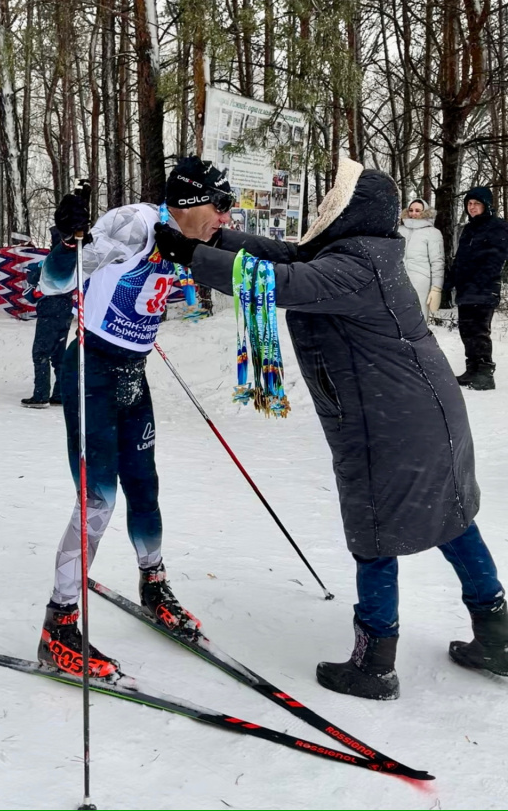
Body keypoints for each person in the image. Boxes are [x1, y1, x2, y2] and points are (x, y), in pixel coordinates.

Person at [155, 159, 508, 699]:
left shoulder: (357, 265)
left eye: (331, 201)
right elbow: (287, 255)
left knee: (374, 530)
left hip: (390, 424)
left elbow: (280, 280)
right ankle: (497, 634)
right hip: (423, 413)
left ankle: (374, 664)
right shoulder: (357, 253)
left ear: (354, 209)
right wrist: (220, 239)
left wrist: (191, 255)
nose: (323, 208)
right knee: (452, 515)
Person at [37, 158, 234, 677]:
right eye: (220, 205)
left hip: (133, 373)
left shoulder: (189, 238)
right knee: (98, 497)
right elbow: (55, 283)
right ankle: (58, 624)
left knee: (145, 487)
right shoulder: (134, 225)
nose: (226, 218)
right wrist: (65, 238)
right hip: (93, 372)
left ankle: (154, 585)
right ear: (191, 203)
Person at [446, 186, 508, 391]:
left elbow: (496, 258)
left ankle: (485, 373)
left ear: (486, 205)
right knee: (466, 330)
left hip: (484, 287)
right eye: (469, 204)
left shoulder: (497, 226)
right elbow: (460, 261)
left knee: (479, 331)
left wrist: (480, 279)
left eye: (476, 204)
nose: (472, 207)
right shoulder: (468, 229)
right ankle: (472, 368)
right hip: (465, 289)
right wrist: (449, 283)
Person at [21, 227, 74, 409]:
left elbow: (29, 294)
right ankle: (59, 393)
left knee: (41, 353)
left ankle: (41, 395)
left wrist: (36, 289)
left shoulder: (44, 265)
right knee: (59, 355)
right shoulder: (76, 262)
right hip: (66, 311)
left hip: (49, 310)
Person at [398, 198, 444, 320]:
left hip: (421, 281)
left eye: (417, 210)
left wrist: (436, 288)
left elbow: (437, 263)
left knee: (417, 320)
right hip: (397, 279)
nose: (413, 213)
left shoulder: (433, 233)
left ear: (425, 212)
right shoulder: (398, 231)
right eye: (411, 210)